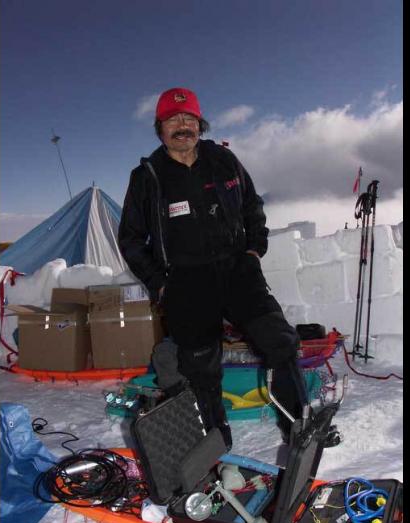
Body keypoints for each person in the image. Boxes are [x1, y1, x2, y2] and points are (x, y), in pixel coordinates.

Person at [118, 87, 309, 449]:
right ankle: (215, 443)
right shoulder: (148, 176)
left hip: (238, 270)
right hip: (185, 282)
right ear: (160, 128)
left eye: (188, 118)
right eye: (173, 119)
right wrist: (160, 284)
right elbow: (130, 238)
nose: (182, 125)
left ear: (200, 123)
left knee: (279, 341)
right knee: (200, 367)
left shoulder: (224, 160)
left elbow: (253, 207)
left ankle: (299, 427)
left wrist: (254, 251)